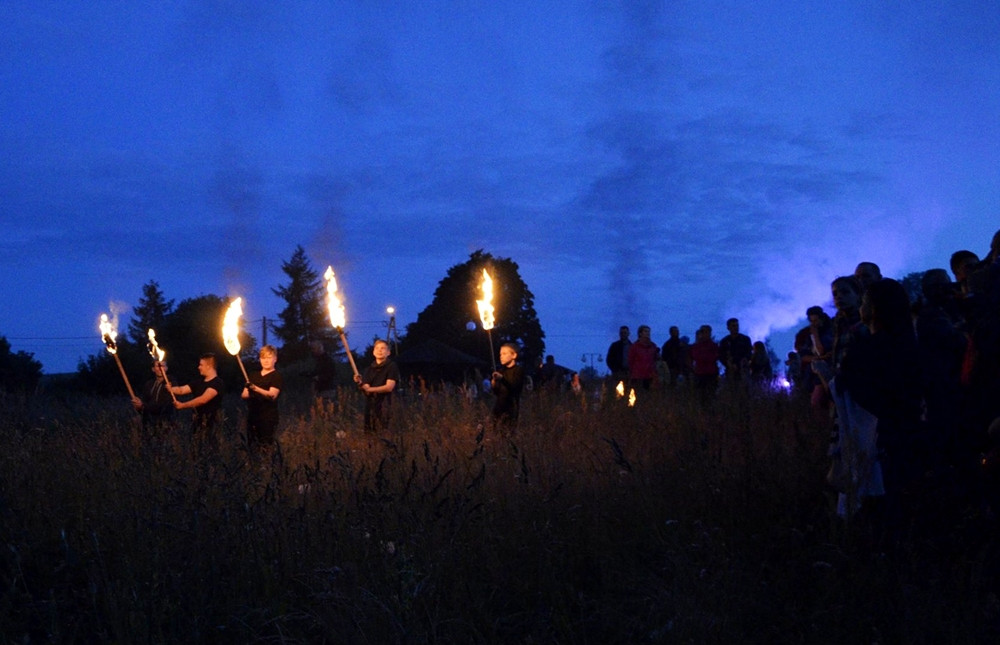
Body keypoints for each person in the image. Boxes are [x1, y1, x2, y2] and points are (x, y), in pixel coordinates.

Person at [169, 353, 225, 447]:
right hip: (196, 423)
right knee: (195, 449)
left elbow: (203, 399)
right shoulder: (198, 381)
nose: (199, 367)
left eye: (201, 365)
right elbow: (181, 390)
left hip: (211, 425)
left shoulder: (218, 383)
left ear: (209, 366)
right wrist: (171, 388)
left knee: (209, 450)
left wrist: (183, 405)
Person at [241, 345, 283, 452]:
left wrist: (255, 389)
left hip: (268, 417)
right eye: (263, 358)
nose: (266, 361)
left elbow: (272, 395)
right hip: (253, 416)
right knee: (252, 447)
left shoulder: (276, 376)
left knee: (265, 447)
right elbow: (244, 395)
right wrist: (251, 391)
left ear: (275, 359)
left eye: (269, 357)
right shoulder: (253, 376)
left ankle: (267, 467)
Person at [354, 339, 401, 434]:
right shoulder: (369, 369)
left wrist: (370, 389)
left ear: (388, 352)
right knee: (369, 434)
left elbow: (389, 387)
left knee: (384, 433)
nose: (380, 350)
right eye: (377, 348)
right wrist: (359, 383)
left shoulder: (392, 366)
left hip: (386, 405)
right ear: (373, 352)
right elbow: (366, 389)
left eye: (383, 348)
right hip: (370, 406)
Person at [132, 360, 175, 433]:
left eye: (163, 366)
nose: (161, 368)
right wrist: (139, 406)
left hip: (166, 421)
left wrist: (143, 406)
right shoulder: (149, 384)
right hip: (149, 420)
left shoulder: (171, 383)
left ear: (166, 368)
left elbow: (164, 404)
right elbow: (145, 402)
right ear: (153, 369)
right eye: (158, 366)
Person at [491, 342, 525, 431]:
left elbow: (514, 387)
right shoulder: (501, 371)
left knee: (508, 432)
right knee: (496, 431)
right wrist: (494, 384)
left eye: (504, 353)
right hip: (499, 406)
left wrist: (502, 379)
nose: (501, 356)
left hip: (511, 407)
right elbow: (497, 392)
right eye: (500, 354)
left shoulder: (518, 370)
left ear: (514, 355)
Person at [690, 325, 720, 404]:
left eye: (707, 332)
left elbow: (715, 357)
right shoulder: (696, 346)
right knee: (701, 396)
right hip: (700, 373)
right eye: (704, 332)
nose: (706, 334)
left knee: (711, 395)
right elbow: (695, 357)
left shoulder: (713, 346)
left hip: (711, 373)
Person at [627, 325, 659, 391]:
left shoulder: (653, 346)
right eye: (645, 331)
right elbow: (630, 361)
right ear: (640, 333)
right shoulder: (635, 347)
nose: (648, 333)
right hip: (637, 376)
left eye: (649, 331)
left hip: (650, 376)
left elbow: (656, 360)